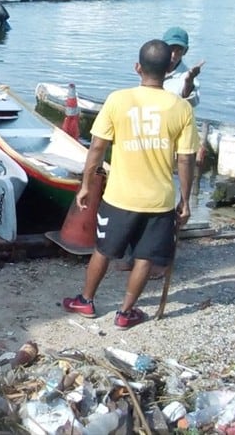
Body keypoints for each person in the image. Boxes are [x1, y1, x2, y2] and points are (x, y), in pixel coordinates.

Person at [62, 39, 200, 329]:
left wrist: (87, 185)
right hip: (159, 200)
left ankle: (86, 301)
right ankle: (125, 312)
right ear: (169, 68)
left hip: (119, 197)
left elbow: (97, 148)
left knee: (103, 250)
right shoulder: (181, 108)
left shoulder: (118, 100)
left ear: (138, 68)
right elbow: (186, 160)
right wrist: (185, 202)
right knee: (145, 256)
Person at [162, 26, 203, 107]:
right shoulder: (152, 68)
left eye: (179, 50)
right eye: (171, 49)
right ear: (162, 47)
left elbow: (192, 104)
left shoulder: (188, 76)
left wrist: (188, 82)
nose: (173, 55)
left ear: (185, 51)